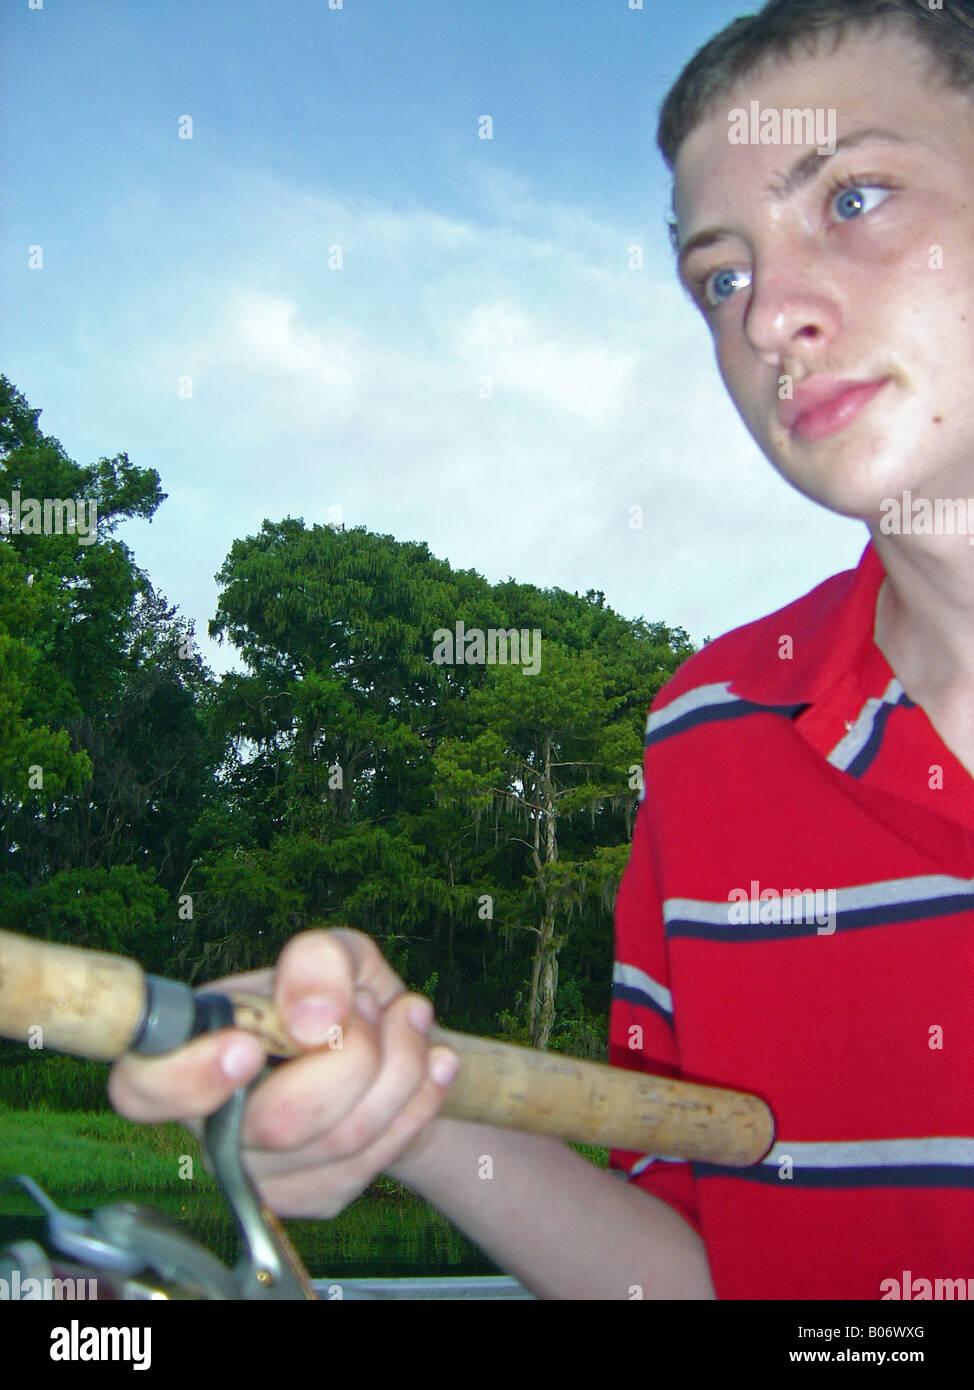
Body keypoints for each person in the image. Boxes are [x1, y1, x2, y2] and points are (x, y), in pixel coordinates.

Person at [108, 0, 974, 1299]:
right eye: (718, 276)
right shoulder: (709, 728)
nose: (765, 315)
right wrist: (415, 1092)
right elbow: (694, 1274)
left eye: (852, 199)